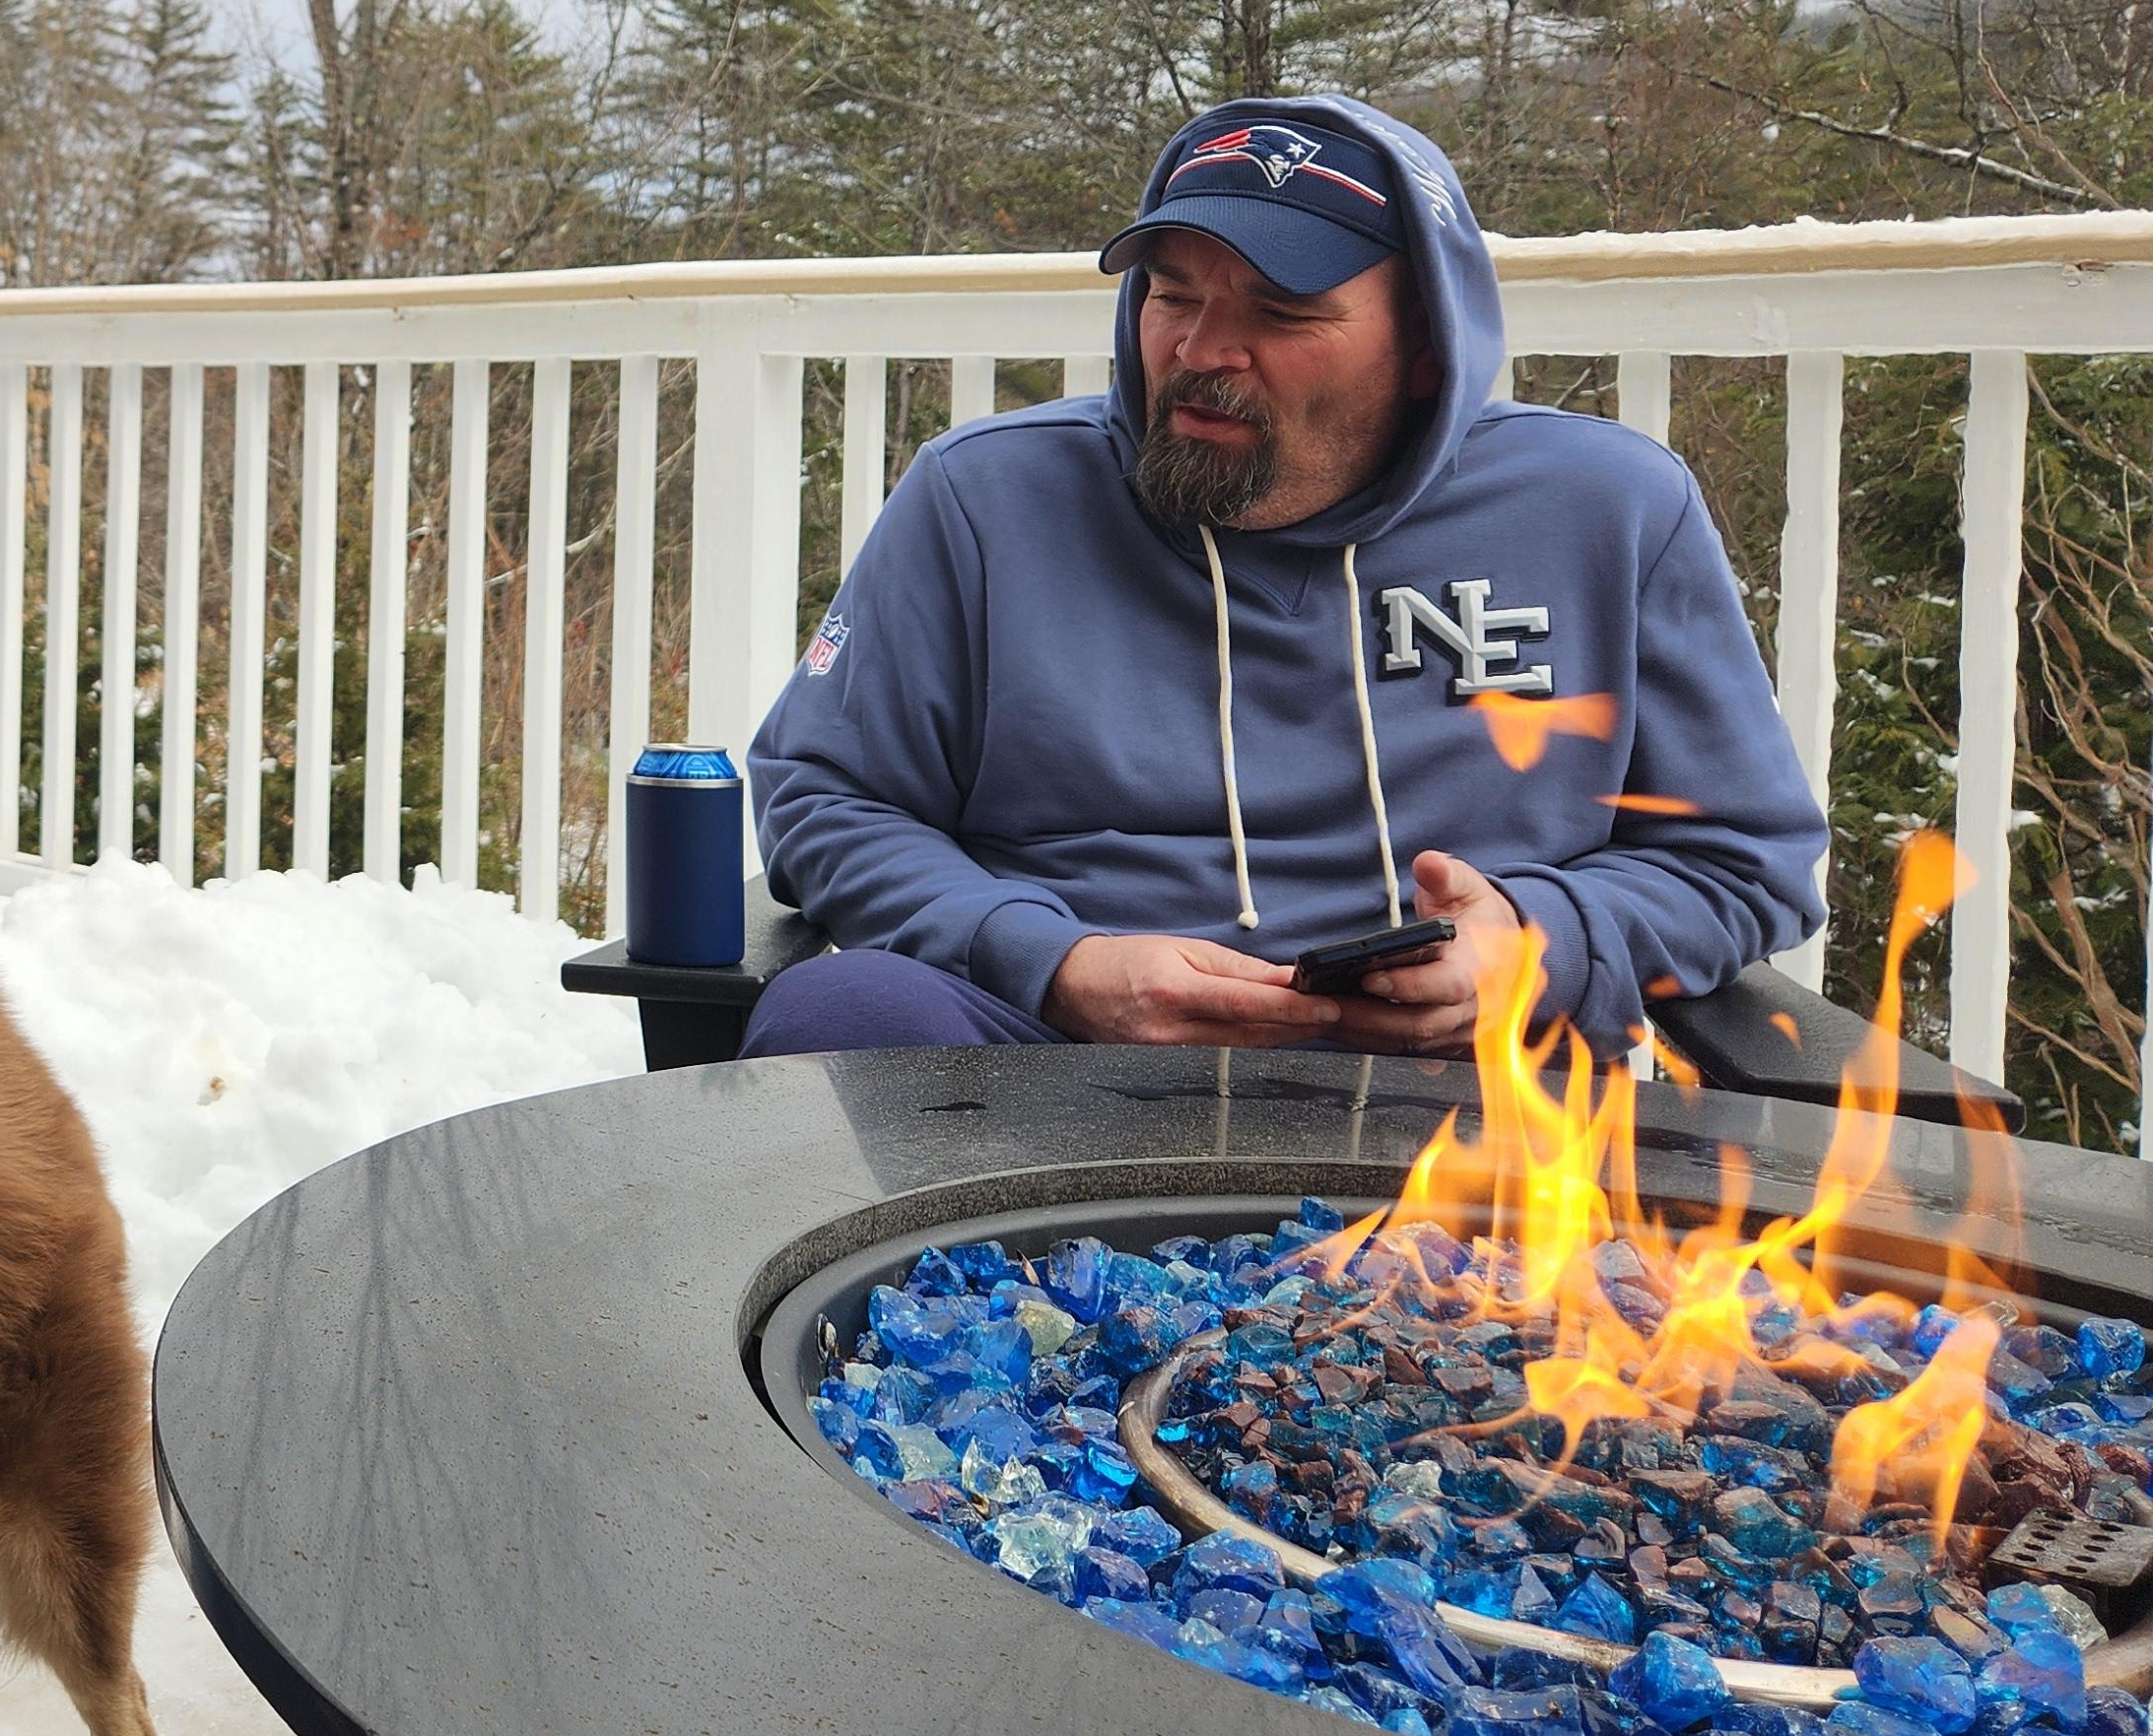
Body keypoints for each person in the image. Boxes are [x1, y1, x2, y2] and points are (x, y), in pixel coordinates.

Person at [741, 97, 1826, 1061]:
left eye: (1282, 313)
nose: (1204, 349)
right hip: (1055, 1060)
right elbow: (826, 795)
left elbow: (1738, 858)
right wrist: (1050, 961)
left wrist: (1528, 948)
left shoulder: (1606, 510)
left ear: (1426, 350)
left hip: (1450, 1101)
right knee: (838, 1015)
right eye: (1172, 296)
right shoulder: (984, 499)